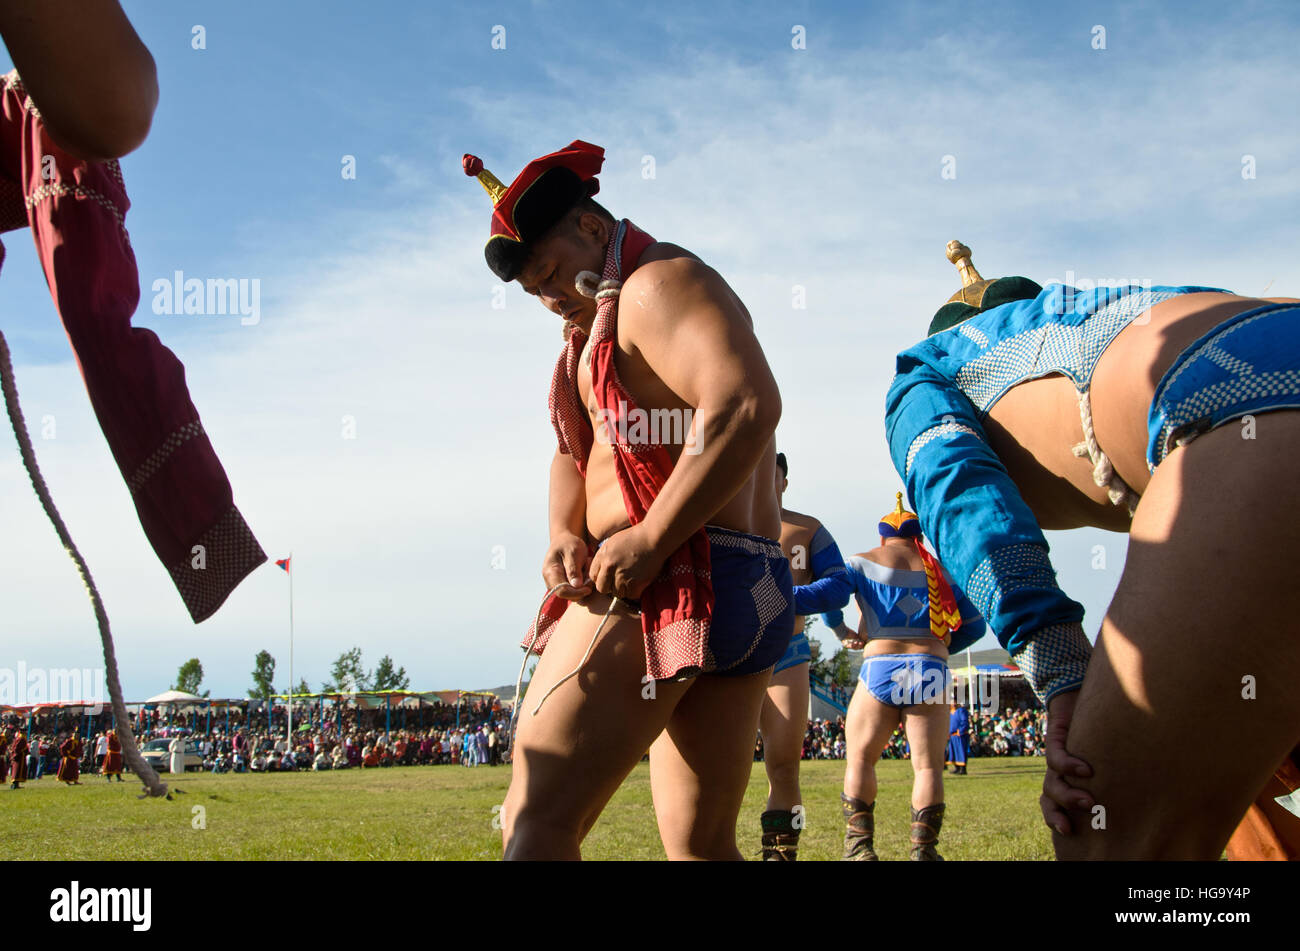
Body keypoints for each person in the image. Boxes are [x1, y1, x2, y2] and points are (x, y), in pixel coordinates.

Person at [886, 241, 1300, 859]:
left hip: (1250, 413)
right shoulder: (1147, 303)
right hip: (1263, 377)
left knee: (1104, 829)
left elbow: (961, 494)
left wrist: (1060, 668)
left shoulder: (930, 365)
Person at [465, 141, 790, 860]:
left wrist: (649, 539)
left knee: (535, 818)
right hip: (745, 583)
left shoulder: (653, 284)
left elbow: (743, 403)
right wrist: (560, 527)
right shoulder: (593, 330)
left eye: (549, 272)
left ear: (588, 227)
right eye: (534, 292)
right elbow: (573, 451)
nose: (549, 296)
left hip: (674, 573)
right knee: (701, 848)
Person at [835, 495, 984, 860]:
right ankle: (923, 852)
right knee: (928, 766)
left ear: (884, 538)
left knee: (860, 760)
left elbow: (828, 600)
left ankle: (860, 850)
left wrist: (841, 630)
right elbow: (975, 625)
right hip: (929, 668)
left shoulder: (860, 562)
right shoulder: (942, 570)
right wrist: (942, 645)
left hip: (880, 666)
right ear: (919, 538)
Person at [758, 451, 852, 860]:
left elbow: (839, 587)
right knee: (718, 767)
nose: (762, 478)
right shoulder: (720, 523)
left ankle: (782, 852)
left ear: (784, 480)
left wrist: (784, 597)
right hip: (723, 657)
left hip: (787, 653)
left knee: (784, 767)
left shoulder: (807, 529)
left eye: (771, 473)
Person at [946, 702, 970, 775]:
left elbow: (965, 721)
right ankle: (957, 768)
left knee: (961, 752)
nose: (953, 704)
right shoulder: (949, 712)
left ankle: (963, 769)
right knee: (953, 752)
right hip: (952, 735)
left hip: (960, 735)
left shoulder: (961, 711)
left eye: (954, 702)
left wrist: (961, 730)